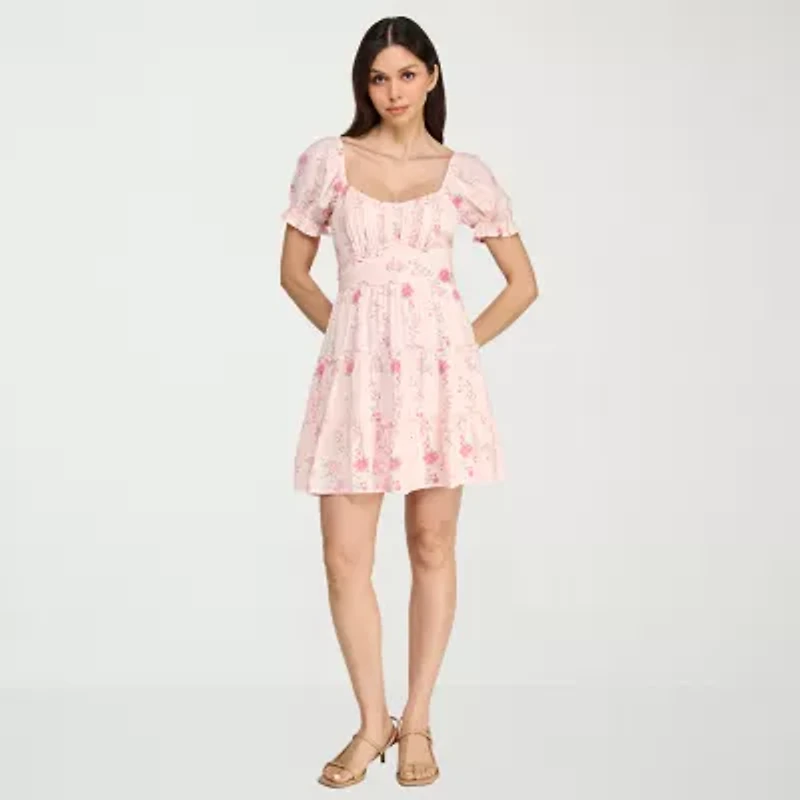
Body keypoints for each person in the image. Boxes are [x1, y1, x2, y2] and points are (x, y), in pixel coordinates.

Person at [279, 15, 538, 789]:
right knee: (344, 558)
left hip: (437, 390)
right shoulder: (328, 161)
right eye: (378, 77)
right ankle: (372, 722)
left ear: (431, 77)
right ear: (364, 85)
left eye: (405, 74)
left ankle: (417, 719)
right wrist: (351, 344)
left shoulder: (464, 173)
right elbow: (294, 273)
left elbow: (522, 285)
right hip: (354, 386)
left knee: (431, 545)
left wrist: (452, 352)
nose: (392, 91)